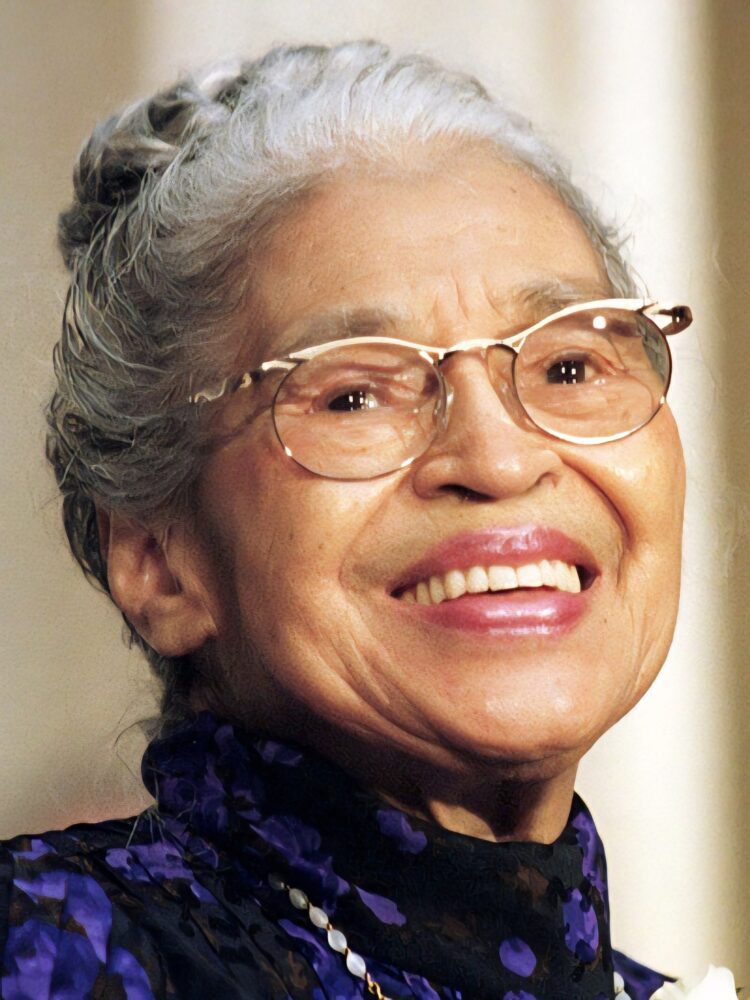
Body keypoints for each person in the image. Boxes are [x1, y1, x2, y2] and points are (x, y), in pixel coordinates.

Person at [0, 40, 716, 1000]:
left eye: (570, 367)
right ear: (157, 558)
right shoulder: (56, 953)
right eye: (353, 396)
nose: (500, 459)